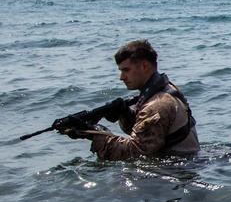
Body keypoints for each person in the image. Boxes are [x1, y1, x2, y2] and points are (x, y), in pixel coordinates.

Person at [68, 40, 200, 160]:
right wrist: (125, 114)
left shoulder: (158, 105)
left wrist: (95, 134)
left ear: (145, 66)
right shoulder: (165, 90)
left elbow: (134, 152)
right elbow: (148, 134)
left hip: (175, 173)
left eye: (126, 70)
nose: (121, 77)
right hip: (183, 166)